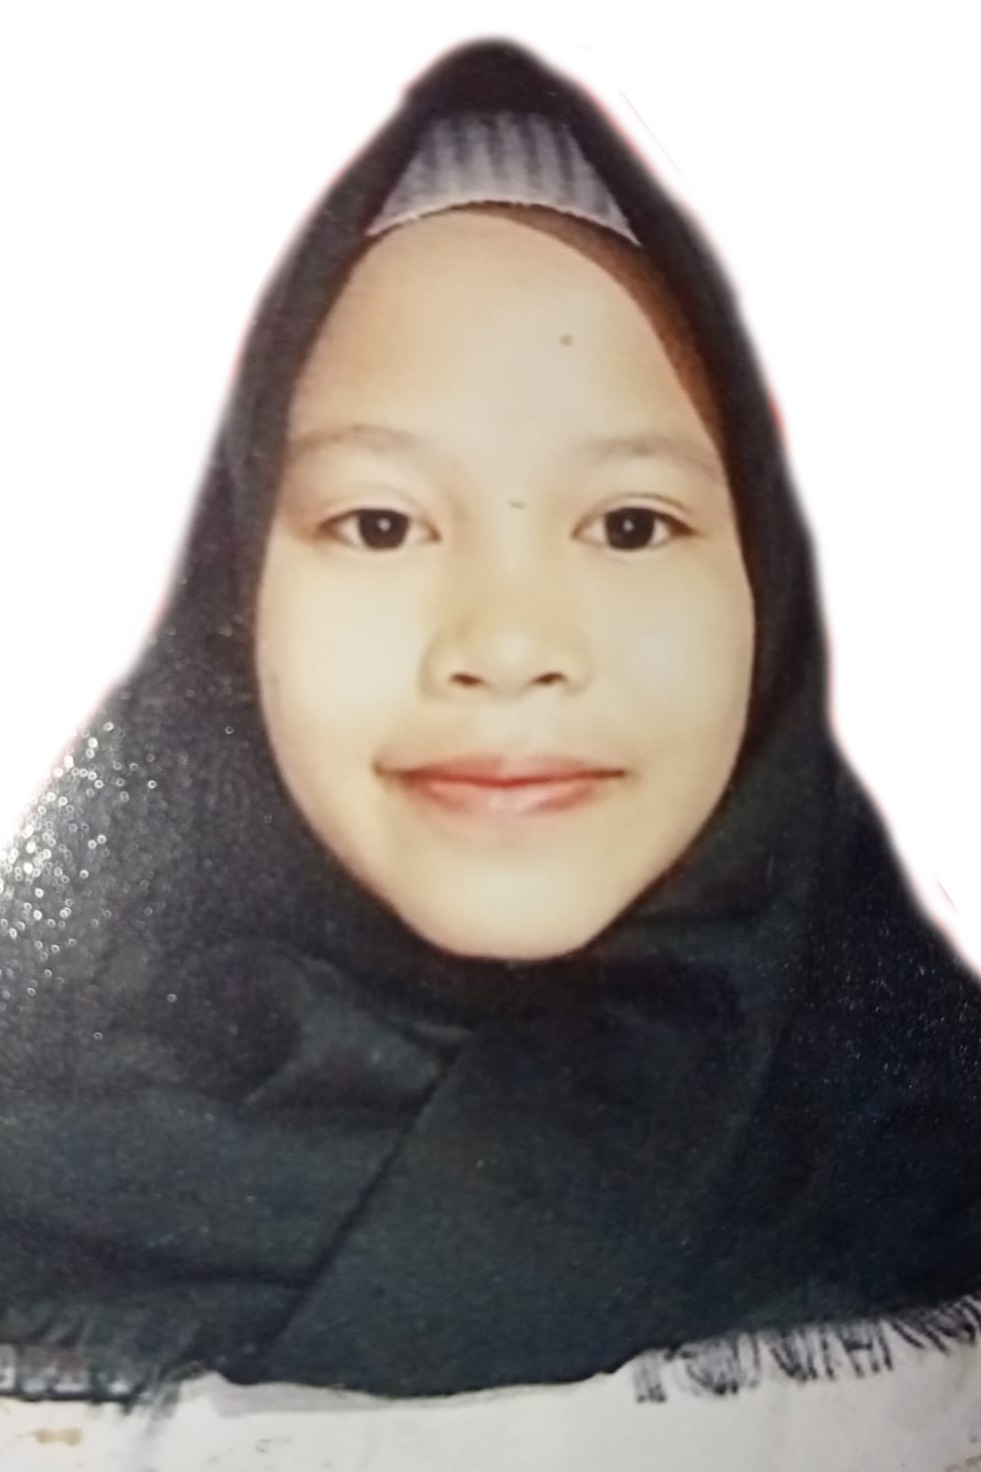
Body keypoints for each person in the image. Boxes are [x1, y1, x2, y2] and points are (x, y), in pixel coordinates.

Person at [2, 35, 981, 1462]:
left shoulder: (935, 1174)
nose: (510, 642)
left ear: (767, 580)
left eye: (630, 524)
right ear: (237, 580)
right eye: (380, 523)